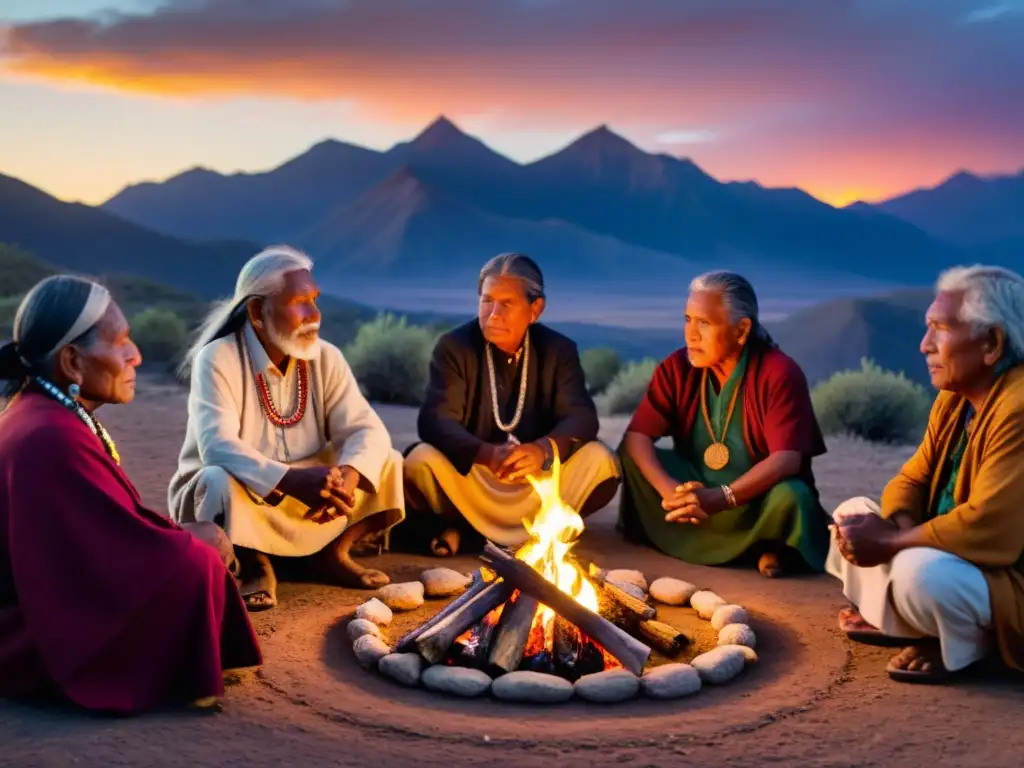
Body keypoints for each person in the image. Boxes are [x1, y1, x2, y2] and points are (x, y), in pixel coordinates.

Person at [0, 275, 261, 715]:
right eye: (120, 342)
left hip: (33, 608)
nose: (135, 355)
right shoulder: (50, 436)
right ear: (72, 362)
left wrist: (180, 536)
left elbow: (100, 533)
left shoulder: (42, 413)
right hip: (34, 640)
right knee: (199, 562)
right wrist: (196, 546)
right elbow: (104, 562)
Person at [168, 246, 404, 610]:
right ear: (257, 312)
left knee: (384, 459)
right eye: (300, 302)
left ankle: (332, 553)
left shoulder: (327, 357)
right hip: (246, 494)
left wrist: (347, 476)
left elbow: (365, 429)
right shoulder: (218, 358)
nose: (314, 315)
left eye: (315, 300)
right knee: (217, 478)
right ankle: (254, 563)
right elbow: (216, 445)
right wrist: (291, 481)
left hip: (312, 494)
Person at [829, 265, 1024, 684]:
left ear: (991, 342)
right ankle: (907, 621)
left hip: (1007, 579)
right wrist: (893, 527)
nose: (924, 345)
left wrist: (893, 541)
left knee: (922, 575)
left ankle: (973, 644)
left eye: (939, 328)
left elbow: (990, 524)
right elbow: (912, 478)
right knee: (850, 516)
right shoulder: (956, 399)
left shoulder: (1019, 405)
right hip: (948, 553)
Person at [401, 252, 620, 556]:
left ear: (535, 309)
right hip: (475, 479)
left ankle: (487, 536)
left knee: (600, 461)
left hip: (537, 482)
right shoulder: (455, 347)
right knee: (419, 463)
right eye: (487, 301)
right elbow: (436, 421)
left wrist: (542, 449)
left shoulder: (558, 350)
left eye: (506, 304)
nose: (493, 315)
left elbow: (581, 417)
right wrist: (486, 454)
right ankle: (495, 537)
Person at [617, 271, 829, 578]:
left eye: (704, 323)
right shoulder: (677, 367)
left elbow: (786, 459)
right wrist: (673, 494)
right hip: (694, 492)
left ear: (741, 329)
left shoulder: (778, 372)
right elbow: (638, 435)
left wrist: (721, 497)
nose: (691, 334)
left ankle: (768, 544)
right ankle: (700, 529)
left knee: (792, 496)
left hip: (756, 501)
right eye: (687, 319)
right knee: (631, 454)